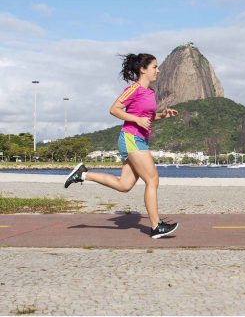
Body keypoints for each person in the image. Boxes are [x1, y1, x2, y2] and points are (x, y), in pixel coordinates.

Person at [64, 53, 180, 239]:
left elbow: (147, 117)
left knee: (124, 185)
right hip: (131, 138)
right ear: (143, 69)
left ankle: (82, 174)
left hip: (140, 139)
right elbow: (114, 109)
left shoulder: (150, 93)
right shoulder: (133, 89)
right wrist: (136, 119)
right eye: (154, 67)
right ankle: (156, 226)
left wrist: (163, 115)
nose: (158, 70)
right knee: (152, 180)